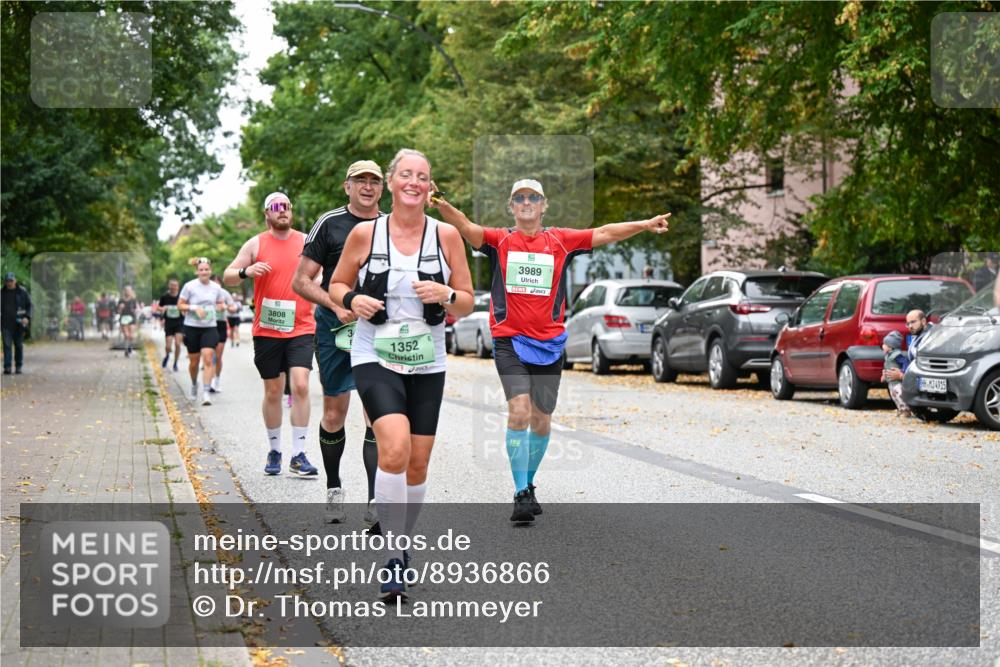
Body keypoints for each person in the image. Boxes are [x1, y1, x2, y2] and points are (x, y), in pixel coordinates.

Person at [434, 178, 670, 523]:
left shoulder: (560, 241)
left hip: (550, 343)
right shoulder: (501, 241)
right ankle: (519, 493)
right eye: (519, 198)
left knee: (542, 419)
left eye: (533, 197)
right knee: (519, 411)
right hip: (510, 341)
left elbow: (605, 233)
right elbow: (467, 227)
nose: (526, 202)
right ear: (511, 207)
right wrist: (440, 202)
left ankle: (528, 484)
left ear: (543, 205)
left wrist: (645, 225)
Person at [329, 148, 474, 601]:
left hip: (427, 359)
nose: (414, 182)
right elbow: (336, 284)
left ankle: (404, 543)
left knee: (417, 462)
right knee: (393, 448)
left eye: (423, 177)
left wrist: (447, 292)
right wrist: (353, 300)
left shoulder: (447, 235)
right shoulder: (364, 234)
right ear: (391, 182)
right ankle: (393, 557)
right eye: (406, 174)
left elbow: (468, 299)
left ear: (430, 188)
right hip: (375, 353)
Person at [293, 159, 384, 524]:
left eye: (374, 181)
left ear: (382, 188)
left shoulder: (393, 226)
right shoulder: (329, 224)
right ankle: (333, 487)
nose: (367, 186)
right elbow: (301, 280)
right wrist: (336, 303)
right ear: (347, 186)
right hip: (336, 329)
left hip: (380, 329)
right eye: (359, 180)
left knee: (378, 414)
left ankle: (376, 498)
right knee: (334, 413)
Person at [225, 192, 319, 478]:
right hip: (267, 329)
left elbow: (323, 273)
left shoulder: (306, 241)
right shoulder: (256, 243)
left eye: (286, 206)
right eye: (276, 207)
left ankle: (299, 454)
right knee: (274, 391)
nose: (283, 211)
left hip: (302, 326)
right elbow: (227, 276)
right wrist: (246, 271)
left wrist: (317, 284)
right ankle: (275, 449)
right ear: (266, 213)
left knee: (301, 385)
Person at [178, 258, 227, 405]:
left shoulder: (216, 288)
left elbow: (221, 302)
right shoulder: (189, 286)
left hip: (210, 327)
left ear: (210, 271)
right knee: (194, 362)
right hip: (192, 327)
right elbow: (180, 305)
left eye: (206, 269)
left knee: (208, 357)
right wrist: (194, 308)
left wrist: (218, 308)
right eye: (201, 270)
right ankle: (194, 384)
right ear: (197, 271)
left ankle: (206, 392)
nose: (204, 272)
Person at [884, 309, 934, 385]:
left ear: (923, 321)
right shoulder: (919, 335)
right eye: (908, 324)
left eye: (913, 322)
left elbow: (928, 376)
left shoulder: (929, 338)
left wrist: (901, 376)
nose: (910, 326)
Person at [2, 272, 32, 374]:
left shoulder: (22, 292)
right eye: (7, 281)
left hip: (19, 324)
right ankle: (7, 367)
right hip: (5, 324)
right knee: (7, 345)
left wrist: (27, 317)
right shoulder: (1, 293)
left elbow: (30, 306)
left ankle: (18, 366)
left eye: (11, 281)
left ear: (15, 281)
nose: (9, 283)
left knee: (18, 345)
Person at [209, 275, 235, 393]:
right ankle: (209, 381)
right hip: (208, 325)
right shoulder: (206, 293)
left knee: (218, 356)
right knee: (210, 356)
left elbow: (233, 307)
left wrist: (227, 307)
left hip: (220, 325)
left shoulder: (225, 294)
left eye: (217, 284)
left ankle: (217, 380)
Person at [881, 330, 912, 417]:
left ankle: (906, 410)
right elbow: (886, 367)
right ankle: (900, 409)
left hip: (897, 381)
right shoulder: (888, 356)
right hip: (891, 382)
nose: (883, 346)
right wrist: (883, 375)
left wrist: (902, 371)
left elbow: (905, 362)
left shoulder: (897, 355)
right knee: (894, 395)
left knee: (900, 394)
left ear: (891, 347)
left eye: (885, 345)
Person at [157, 279, 184, 371]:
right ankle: (167, 355)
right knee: (168, 346)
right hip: (169, 322)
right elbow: (158, 307)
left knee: (177, 343)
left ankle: (175, 363)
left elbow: (185, 307)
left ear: (178, 287)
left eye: (175, 285)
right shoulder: (165, 296)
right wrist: (163, 308)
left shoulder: (181, 297)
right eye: (171, 285)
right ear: (169, 286)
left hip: (179, 322)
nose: (173, 287)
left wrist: (182, 309)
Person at [117, 285, 139, 357]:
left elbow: (137, 309)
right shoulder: (121, 300)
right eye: (126, 290)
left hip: (132, 318)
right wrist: (120, 308)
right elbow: (118, 312)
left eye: (129, 290)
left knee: (131, 336)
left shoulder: (133, 300)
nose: (127, 292)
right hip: (123, 319)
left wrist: (135, 310)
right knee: (126, 335)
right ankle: (126, 350)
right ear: (124, 291)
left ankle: (129, 347)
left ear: (131, 291)